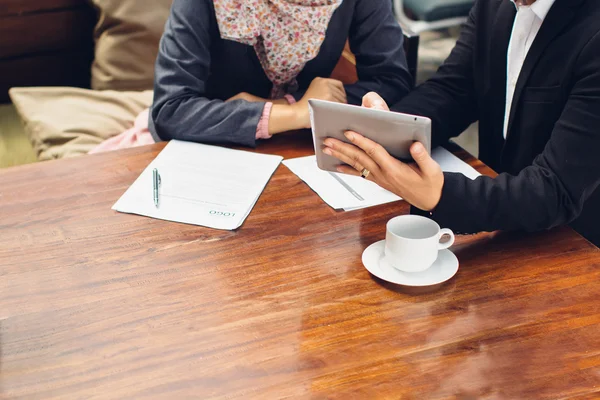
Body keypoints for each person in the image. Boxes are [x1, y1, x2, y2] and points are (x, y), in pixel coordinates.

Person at [323, 0, 600, 245]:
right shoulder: (495, 5)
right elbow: (455, 89)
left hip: (572, 245)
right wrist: (389, 127)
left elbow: (556, 191)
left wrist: (440, 195)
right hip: (498, 225)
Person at [148, 0, 412, 148]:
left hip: (304, 151)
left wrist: (286, 107)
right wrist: (297, 111)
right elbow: (170, 112)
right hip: (212, 147)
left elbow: (392, 82)